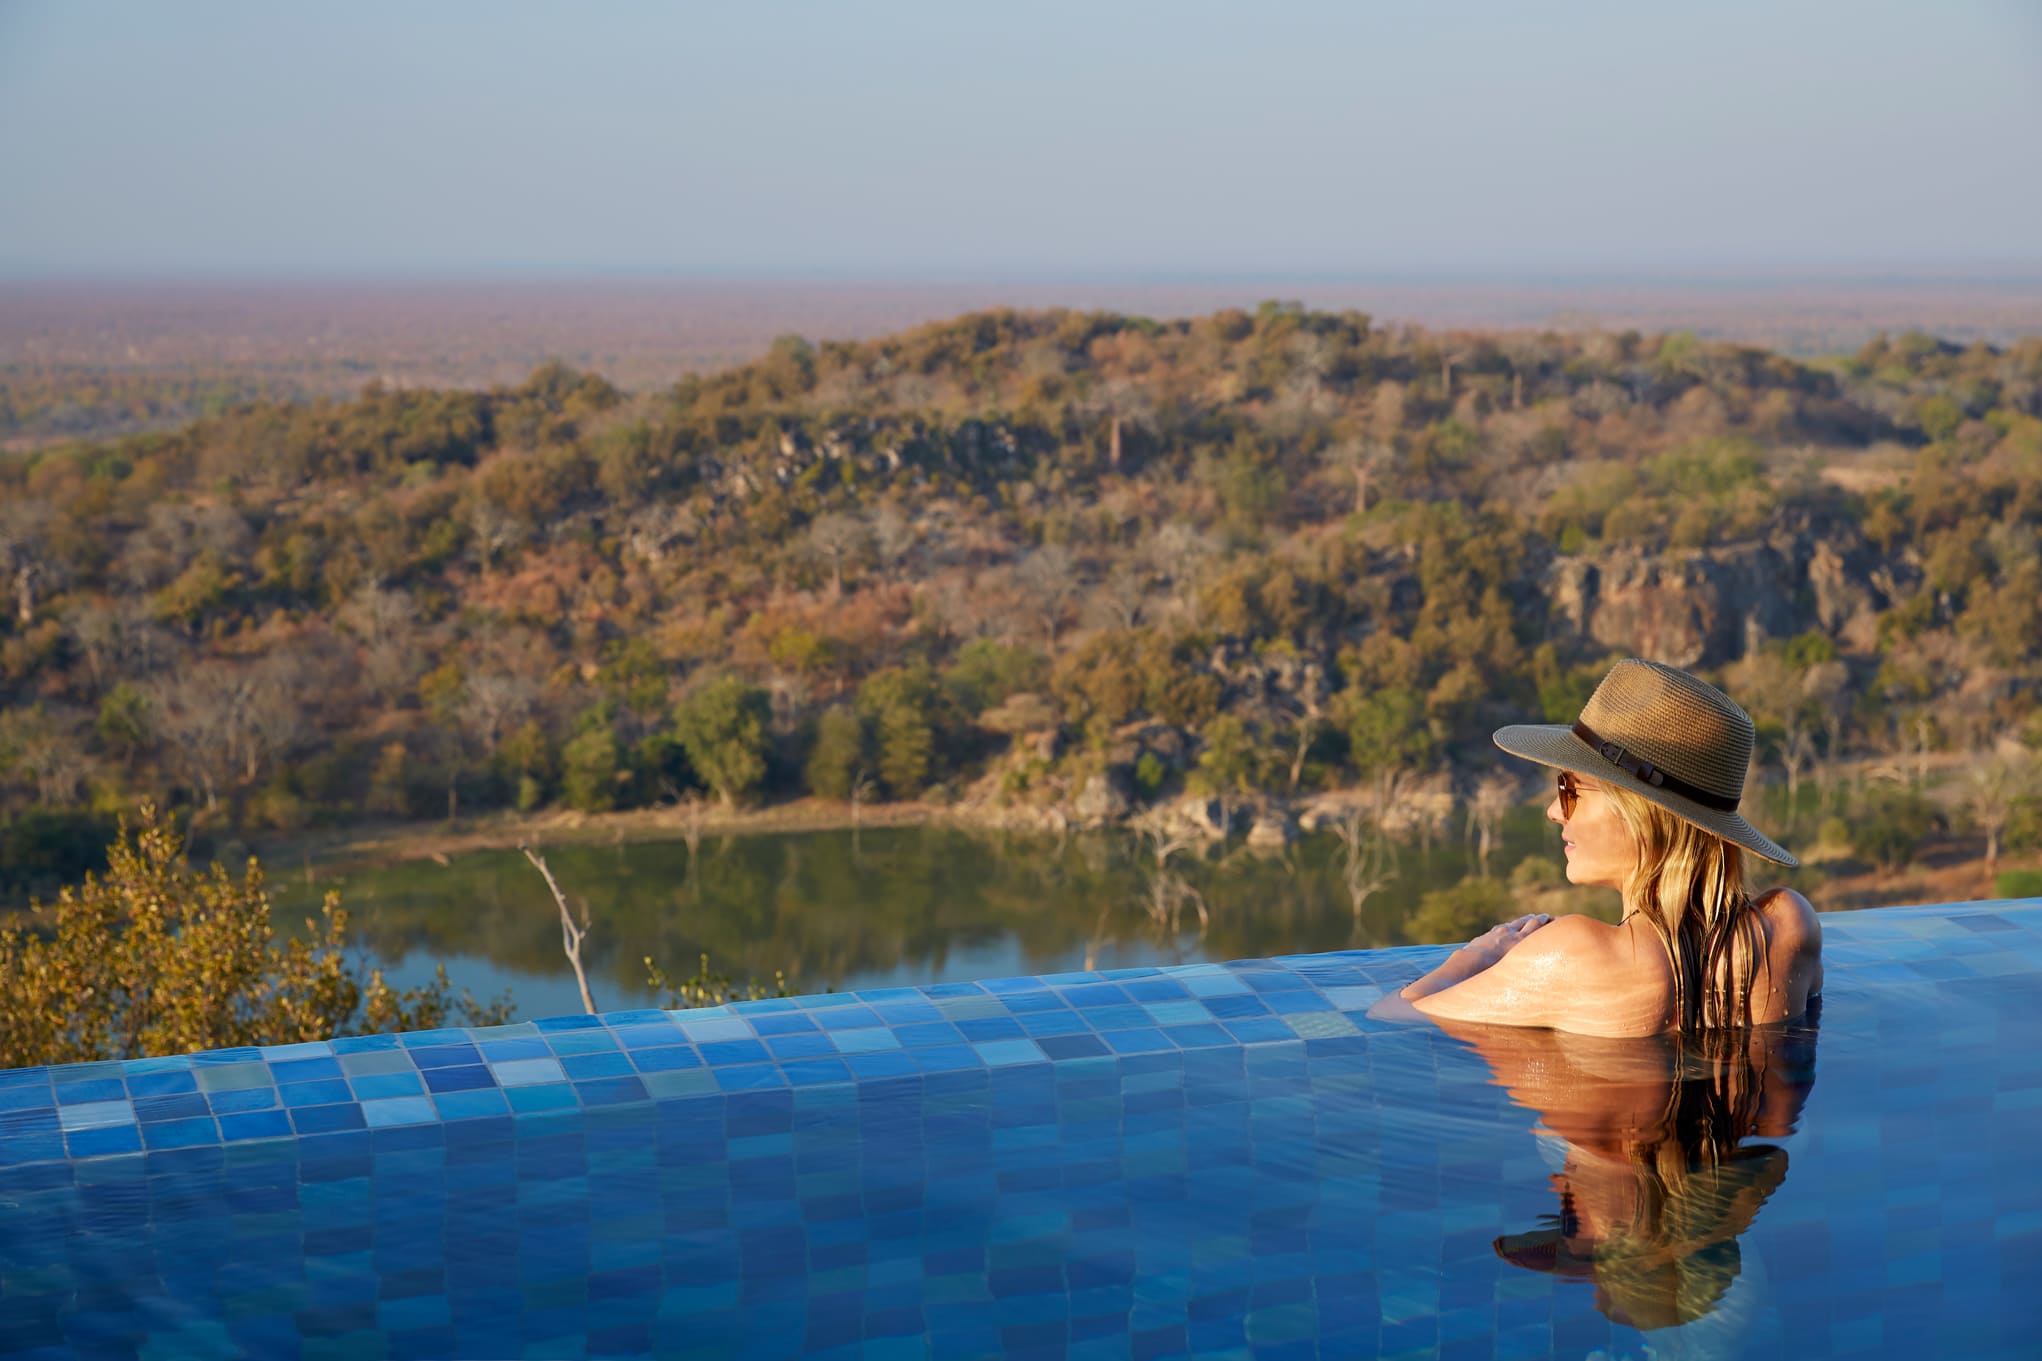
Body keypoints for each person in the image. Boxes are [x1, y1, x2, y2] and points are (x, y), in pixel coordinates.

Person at [1391, 658, 1822, 1036]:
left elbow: (1394, 1017)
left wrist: (1480, 954)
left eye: (1569, 788)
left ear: (1639, 816)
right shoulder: (1790, 924)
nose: (1554, 812)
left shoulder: (1576, 954)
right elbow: (1778, 1117)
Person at [1449, 1013, 1820, 1334]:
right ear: (1636, 1216)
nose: (1555, 1185)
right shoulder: (1579, 1115)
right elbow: (1408, 1012)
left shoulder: (1745, 1126)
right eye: (1568, 1219)